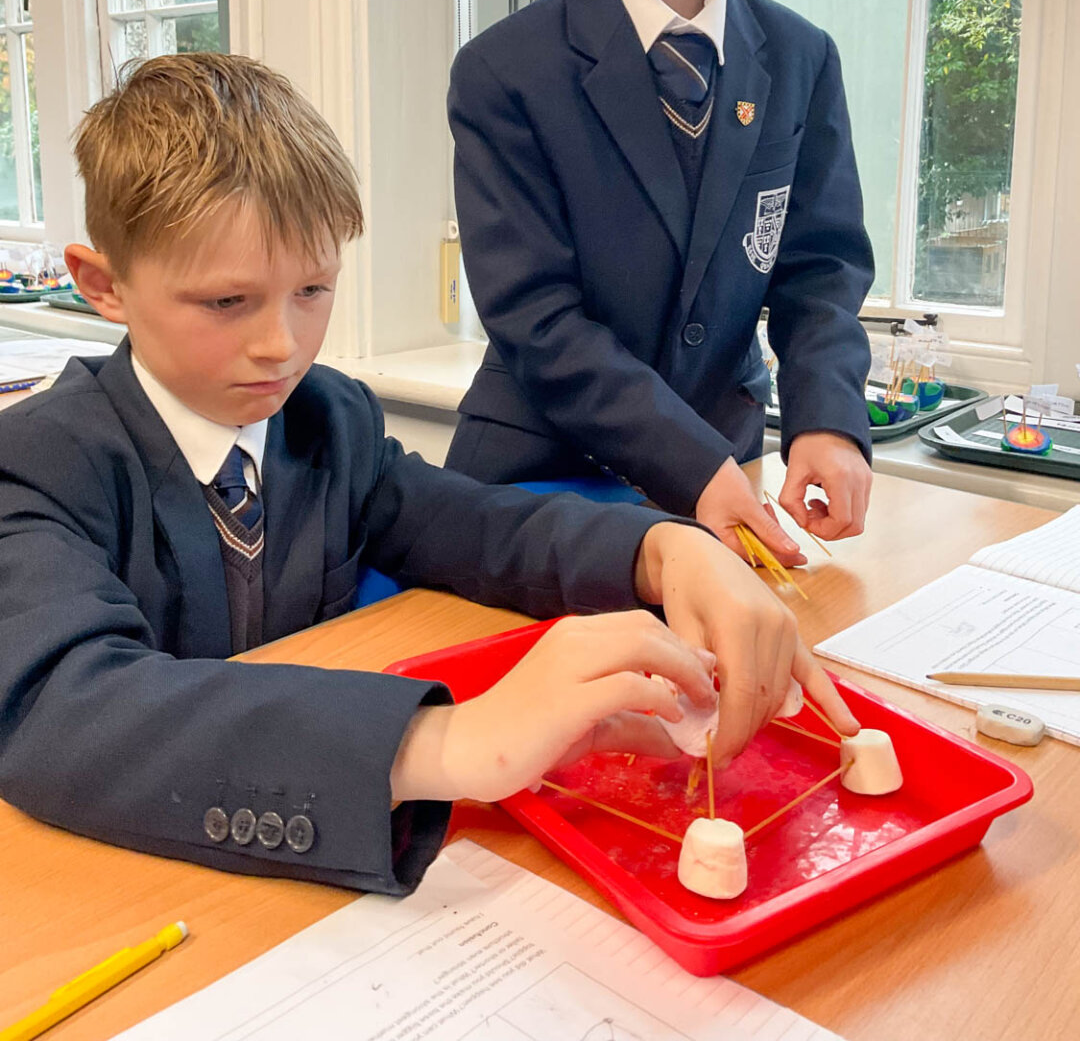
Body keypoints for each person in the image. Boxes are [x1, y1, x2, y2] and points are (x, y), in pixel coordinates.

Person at [0, 53, 855, 897]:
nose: (282, 345)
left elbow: (478, 526)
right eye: (228, 302)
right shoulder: (39, 463)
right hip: (126, 879)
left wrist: (666, 552)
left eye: (313, 290)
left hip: (312, 878)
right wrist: (444, 743)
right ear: (104, 286)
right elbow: (60, 705)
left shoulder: (331, 419)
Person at [446, 0, 875, 561]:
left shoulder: (801, 57)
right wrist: (691, 464)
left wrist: (829, 419)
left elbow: (819, 270)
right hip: (541, 486)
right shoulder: (502, 73)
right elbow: (535, 317)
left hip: (730, 471)